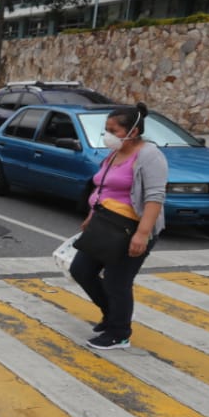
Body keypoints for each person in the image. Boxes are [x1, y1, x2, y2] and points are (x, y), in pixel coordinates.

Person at [70, 102, 168, 350]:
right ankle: (112, 315)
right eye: (107, 129)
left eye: (114, 130)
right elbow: (103, 187)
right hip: (105, 224)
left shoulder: (149, 155)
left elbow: (155, 197)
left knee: (117, 281)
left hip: (131, 228)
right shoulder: (115, 153)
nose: (108, 135)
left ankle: (119, 333)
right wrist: (92, 215)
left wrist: (142, 234)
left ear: (133, 132)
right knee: (81, 269)